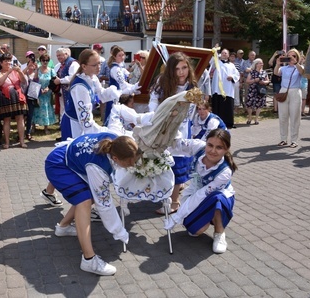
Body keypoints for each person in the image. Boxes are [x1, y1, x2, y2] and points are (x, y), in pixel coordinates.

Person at [45, 133, 139, 275]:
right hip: (58, 164)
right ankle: (89, 260)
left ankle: (63, 227)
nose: (132, 165)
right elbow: (105, 204)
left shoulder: (118, 141)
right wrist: (119, 231)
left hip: (68, 157)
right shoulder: (98, 167)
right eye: (128, 163)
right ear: (115, 158)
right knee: (85, 201)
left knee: (90, 196)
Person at [164, 129, 237, 254]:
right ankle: (206, 217)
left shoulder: (225, 172)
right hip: (196, 193)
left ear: (226, 149)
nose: (213, 151)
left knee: (216, 198)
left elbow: (201, 195)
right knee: (194, 231)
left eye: (219, 147)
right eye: (210, 145)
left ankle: (219, 232)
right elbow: (177, 144)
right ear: (206, 143)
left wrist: (177, 216)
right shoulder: (199, 147)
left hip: (219, 199)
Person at [149, 52, 198, 214]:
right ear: (171, 70)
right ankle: (167, 193)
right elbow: (153, 100)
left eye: (184, 67)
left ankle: (174, 202)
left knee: (178, 164)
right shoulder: (162, 82)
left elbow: (194, 109)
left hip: (182, 129)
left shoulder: (192, 85)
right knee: (164, 163)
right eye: (177, 69)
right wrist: (156, 116)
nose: (181, 72)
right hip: (163, 129)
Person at [59, 49, 122, 140]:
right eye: (94, 65)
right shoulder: (80, 87)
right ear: (84, 66)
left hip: (81, 121)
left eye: (99, 63)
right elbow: (86, 123)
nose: (99, 67)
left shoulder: (92, 77)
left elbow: (102, 94)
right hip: (74, 125)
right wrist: (106, 131)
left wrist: (119, 92)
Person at [0, 52, 28, 149]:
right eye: (5, 61)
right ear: (1, 63)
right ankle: (7, 142)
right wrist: (8, 72)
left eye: (9, 61)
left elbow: (23, 82)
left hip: (18, 96)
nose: (8, 63)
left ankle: (22, 141)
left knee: (20, 119)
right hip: (6, 97)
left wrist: (20, 71)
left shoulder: (16, 71)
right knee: (7, 120)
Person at [103, 46, 140, 126]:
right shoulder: (115, 69)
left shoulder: (120, 67)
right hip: (115, 97)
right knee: (113, 120)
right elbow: (123, 84)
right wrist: (134, 88)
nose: (122, 57)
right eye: (119, 55)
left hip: (119, 95)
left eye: (123, 55)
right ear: (114, 57)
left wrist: (137, 65)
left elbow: (130, 76)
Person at [274, 49, 304, 148]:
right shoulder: (284, 68)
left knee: (295, 117)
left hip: (295, 91)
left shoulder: (299, 67)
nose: (291, 58)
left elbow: (302, 72)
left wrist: (296, 63)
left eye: (294, 56)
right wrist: (278, 63)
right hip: (284, 91)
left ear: (297, 58)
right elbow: (276, 73)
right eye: (289, 56)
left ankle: (294, 140)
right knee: (283, 117)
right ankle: (283, 139)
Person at [210, 48, 240, 129]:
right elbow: (212, 60)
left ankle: (228, 123)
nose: (224, 54)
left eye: (225, 53)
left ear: (228, 55)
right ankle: (216, 124)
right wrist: (215, 51)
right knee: (217, 106)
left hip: (228, 89)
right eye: (223, 53)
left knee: (227, 106)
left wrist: (232, 77)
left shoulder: (232, 65)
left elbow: (237, 75)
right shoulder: (216, 63)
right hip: (217, 89)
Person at [32, 53, 57, 133]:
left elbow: (54, 81)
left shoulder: (51, 70)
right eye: (43, 60)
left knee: (46, 109)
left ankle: (46, 127)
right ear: (41, 61)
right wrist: (39, 90)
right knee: (36, 109)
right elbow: (35, 80)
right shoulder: (38, 70)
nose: (45, 62)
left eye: (47, 60)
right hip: (39, 93)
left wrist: (48, 88)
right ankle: (33, 127)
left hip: (47, 93)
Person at [53, 47, 79, 118]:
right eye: (57, 56)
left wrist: (60, 81)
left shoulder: (73, 64)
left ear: (66, 54)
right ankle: (63, 124)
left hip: (70, 90)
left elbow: (73, 77)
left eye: (60, 55)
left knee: (69, 107)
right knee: (62, 107)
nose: (58, 57)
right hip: (61, 91)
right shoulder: (58, 65)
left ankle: (69, 124)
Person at [245, 58, 270, 125]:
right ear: (256, 64)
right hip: (252, 90)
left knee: (259, 104)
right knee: (249, 104)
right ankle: (249, 117)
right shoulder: (252, 72)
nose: (262, 64)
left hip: (261, 90)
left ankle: (256, 118)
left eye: (262, 63)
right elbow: (247, 81)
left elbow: (268, 80)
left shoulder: (264, 72)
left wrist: (264, 82)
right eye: (260, 63)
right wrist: (254, 80)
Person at [23, 51, 38, 140]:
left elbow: (37, 78)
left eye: (33, 64)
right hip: (24, 96)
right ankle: (21, 132)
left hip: (32, 97)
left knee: (30, 115)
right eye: (30, 64)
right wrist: (28, 66)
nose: (32, 65)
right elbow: (21, 73)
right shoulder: (25, 72)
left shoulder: (35, 73)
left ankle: (28, 132)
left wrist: (36, 68)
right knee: (23, 116)